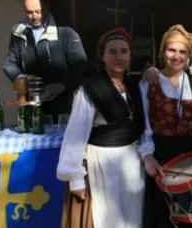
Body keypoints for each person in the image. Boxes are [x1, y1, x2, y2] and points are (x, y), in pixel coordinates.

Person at [56, 27, 150, 228]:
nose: (119, 57)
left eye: (124, 51)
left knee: (134, 218)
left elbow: (144, 127)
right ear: (103, 57)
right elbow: (75, 135)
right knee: (108, 220)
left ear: (130, 55)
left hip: (133, 164)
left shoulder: (136, 85)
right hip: (102, 163)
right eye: (113, 52)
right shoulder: (90, 88)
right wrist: (75, 179)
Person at [140, 25, 192, 228]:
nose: (176, 56)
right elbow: (145, 126)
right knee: (165, 217)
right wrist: (147, 155)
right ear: (162, 52)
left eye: (182, 52)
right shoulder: (148, 83)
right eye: (171, 50)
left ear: (188, 56)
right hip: (163, 155)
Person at [3, 0, 87, 117]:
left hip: (61, 101)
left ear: (47, 7)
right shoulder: (18, 32)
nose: (34, 16)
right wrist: (21, 78)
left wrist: (62, 84)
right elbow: (10, 63)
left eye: (38, 11)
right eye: (29, 12)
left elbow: (80, 62)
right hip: (31, 101)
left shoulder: (64, 30)